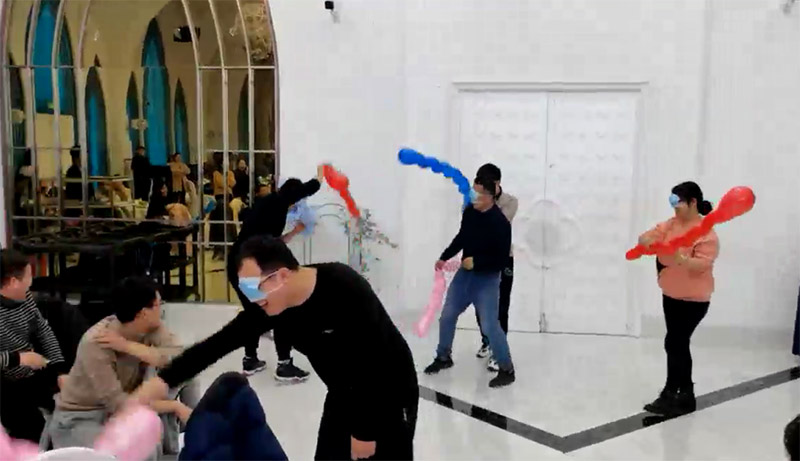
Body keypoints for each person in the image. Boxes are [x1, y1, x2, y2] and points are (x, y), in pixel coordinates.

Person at [133, 236, 419, 460]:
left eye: (254, 290)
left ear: (281, 276)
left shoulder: (344, 287)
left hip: (388, 393)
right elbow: (220, 342)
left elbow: (375, 363)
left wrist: (364, 432)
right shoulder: (274, 304)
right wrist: (164, 380)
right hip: (343, 392)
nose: (253, 301)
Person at [50, 277, 197, 454]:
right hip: (82, 418)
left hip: (122, 408)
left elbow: (180, 359)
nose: (161, 310)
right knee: (135, 446)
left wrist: (128, 346)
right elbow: (119, 407)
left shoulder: (151, 327)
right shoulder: (96, 344)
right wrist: (173, 406)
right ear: (144, 313)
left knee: (187, 374)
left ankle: (198, 426)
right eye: (159, 305)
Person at [424, 176, 515, 388]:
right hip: (464, 276)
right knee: (447, 316)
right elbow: (462, 237)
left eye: (477, 193)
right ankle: (443, 357)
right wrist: (445, 257)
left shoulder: (501, 224)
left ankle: (507, 369)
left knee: (490, 325)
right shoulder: (470, 213)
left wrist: (477, 261)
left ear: (490, 196)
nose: (472, 196)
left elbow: (501, 259)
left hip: (487, 280)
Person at [638, 181, 719, 416]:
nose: (674, 207)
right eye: (672, 202)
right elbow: (646, 237)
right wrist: (649, 241)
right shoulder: (671, 224)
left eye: (678, 202)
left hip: (693, 300)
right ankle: (684, 395)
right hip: (671, 294)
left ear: (693, 202)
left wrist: (679, 257)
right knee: (676, 343)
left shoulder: (706, 233)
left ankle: (672, 392)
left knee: (675, 342)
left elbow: (701, 265)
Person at [232, 171, 323, 380]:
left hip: (239, 264)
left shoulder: (268, 205)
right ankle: (284, 365)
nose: (296, 205)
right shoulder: (278, 202)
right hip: (250, 268)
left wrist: (295, 232)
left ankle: (250, 360)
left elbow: (272, 242)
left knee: (254, 312)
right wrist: (320, 176)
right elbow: (307, 189)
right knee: (282, 312)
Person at [0, 249, 67, 442]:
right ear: (13, 282)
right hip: (7, 382)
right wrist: (19, 358)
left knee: (73, 404)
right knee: (32, 430)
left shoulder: (24, 297)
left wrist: (60, 370)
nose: (31, 282)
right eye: (29, 277)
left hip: (32, 370)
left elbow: (42, 330)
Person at [472, 163, 518, 372]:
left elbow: (499, 223)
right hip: (479, 258)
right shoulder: (474, 200)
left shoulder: (510, 202)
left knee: (501, 305)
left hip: (503, 259)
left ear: (498, 183)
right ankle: (487, 340)